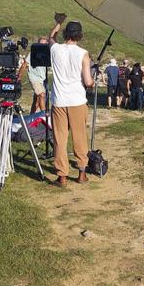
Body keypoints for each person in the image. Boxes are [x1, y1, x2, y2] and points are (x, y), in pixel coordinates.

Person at [49, 16, 94, 187]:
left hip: (59, 100)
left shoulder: (55, 49)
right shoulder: (83, 54)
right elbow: (88, 81)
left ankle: (62, 176)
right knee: (79, 136)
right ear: (80, 35)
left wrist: (58, 24)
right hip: (77, 100)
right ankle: (82, 173)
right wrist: (91, 80)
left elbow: (51, 38)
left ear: (66, 33)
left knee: (60, 139)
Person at [18, 36, 49, 113]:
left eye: (44, 44)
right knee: (42, 95)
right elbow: (25, 64)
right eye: (40, 44)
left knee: (37, 99)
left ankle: (32, 115)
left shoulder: (46, 53)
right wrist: (19, 75)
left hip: (42, 79)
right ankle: (43, 114)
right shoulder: (33, 53)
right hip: (34, 78)